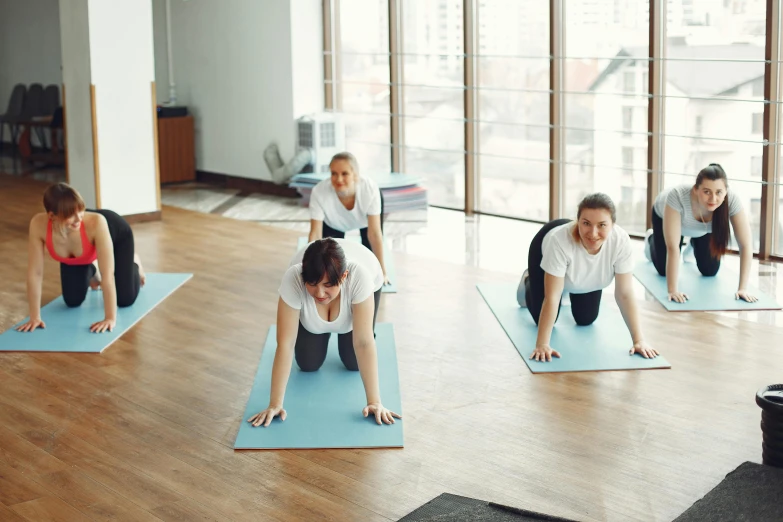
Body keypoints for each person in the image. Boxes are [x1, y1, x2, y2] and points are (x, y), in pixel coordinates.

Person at [247, 237, 400, 427]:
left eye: (328, 286)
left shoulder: (359, 277)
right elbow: (285, 344)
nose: (319, 294)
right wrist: (275, 404)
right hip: (318, 299)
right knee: (308, 363)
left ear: (343, 277)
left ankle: (352, 323)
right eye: (312, 284)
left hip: (364, 279)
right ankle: (323, 327)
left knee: (354, 362)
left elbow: (363, 343)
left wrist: (375, 402)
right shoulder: (293, 278)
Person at [517, 193, 659, 363]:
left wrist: (639, 340)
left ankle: (568, 282)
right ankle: (529, 280)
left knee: (586, 319)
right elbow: (552, 297)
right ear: (577, 222)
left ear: (612, 225)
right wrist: (542, 344)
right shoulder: (558, 241)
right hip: (544, 251)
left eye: (602, 225)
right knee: (543, 320)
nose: (593, 233)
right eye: (586, 223)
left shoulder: (620, 241)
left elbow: (625, 294)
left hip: (580, 275)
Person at [16, 182, 146, 334]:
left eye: (81, 210)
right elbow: (35, 273)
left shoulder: (97, 222)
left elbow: (108, 275)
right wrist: (34, 317)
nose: (79, 218)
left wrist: (110, 318)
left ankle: (134, 264)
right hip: (78, 251)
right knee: (72, 300)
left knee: (125, 299)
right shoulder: (38, 225)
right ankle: (91, 268)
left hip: (118, 237)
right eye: (71, 214)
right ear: (52, 216)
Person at [644, 163, 757, 304]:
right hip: (665, 217)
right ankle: (651, 240)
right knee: (663, 270)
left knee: (709, 271)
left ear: (726, 191)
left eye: (718, 192)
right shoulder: (677, 196)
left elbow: (745, 245)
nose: (713, 199)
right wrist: (673, 290)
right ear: (696, 189)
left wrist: (743, 288)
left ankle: (693, 242)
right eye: (707, 191)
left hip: (702, 230)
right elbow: (672, 248)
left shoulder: (732, 201)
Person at [307, 152, 390, 286]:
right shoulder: (319, 192)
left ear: (355, 175)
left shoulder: (369, 189)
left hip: (364, 221)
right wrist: (307, 267)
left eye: (344, 174)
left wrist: (383, 273)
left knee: (368, 260)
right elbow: (315, 233)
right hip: (334, 223)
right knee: (329, 261)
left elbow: (374, 234)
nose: (339, 179)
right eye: (334, 173)